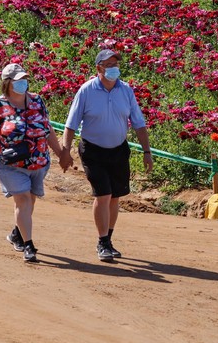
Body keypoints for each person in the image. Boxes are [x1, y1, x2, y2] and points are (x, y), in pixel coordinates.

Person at [0, 63, 71, 263]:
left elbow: (47, 129)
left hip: (38, 162)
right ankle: (29, 246)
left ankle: (17, 233)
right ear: (7, 83)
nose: (23, 83)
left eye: (25, 79)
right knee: (22, 199)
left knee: (29, 202)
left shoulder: (37, 101)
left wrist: (60, 154)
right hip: (10, 164)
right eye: (18, 80)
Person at [61, 49, 153, 262]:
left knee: (114, 196)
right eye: (109, 64)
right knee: (102, 194)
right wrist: (65, 152)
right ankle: (102, 241)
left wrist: (147, 152)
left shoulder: (126, 91)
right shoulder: (86, 91)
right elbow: (71, 125)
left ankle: (108, 239)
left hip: (119, 150)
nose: (114, 68)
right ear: (98, 68)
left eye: (116, 64)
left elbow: (138, 124)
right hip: (93, 150)